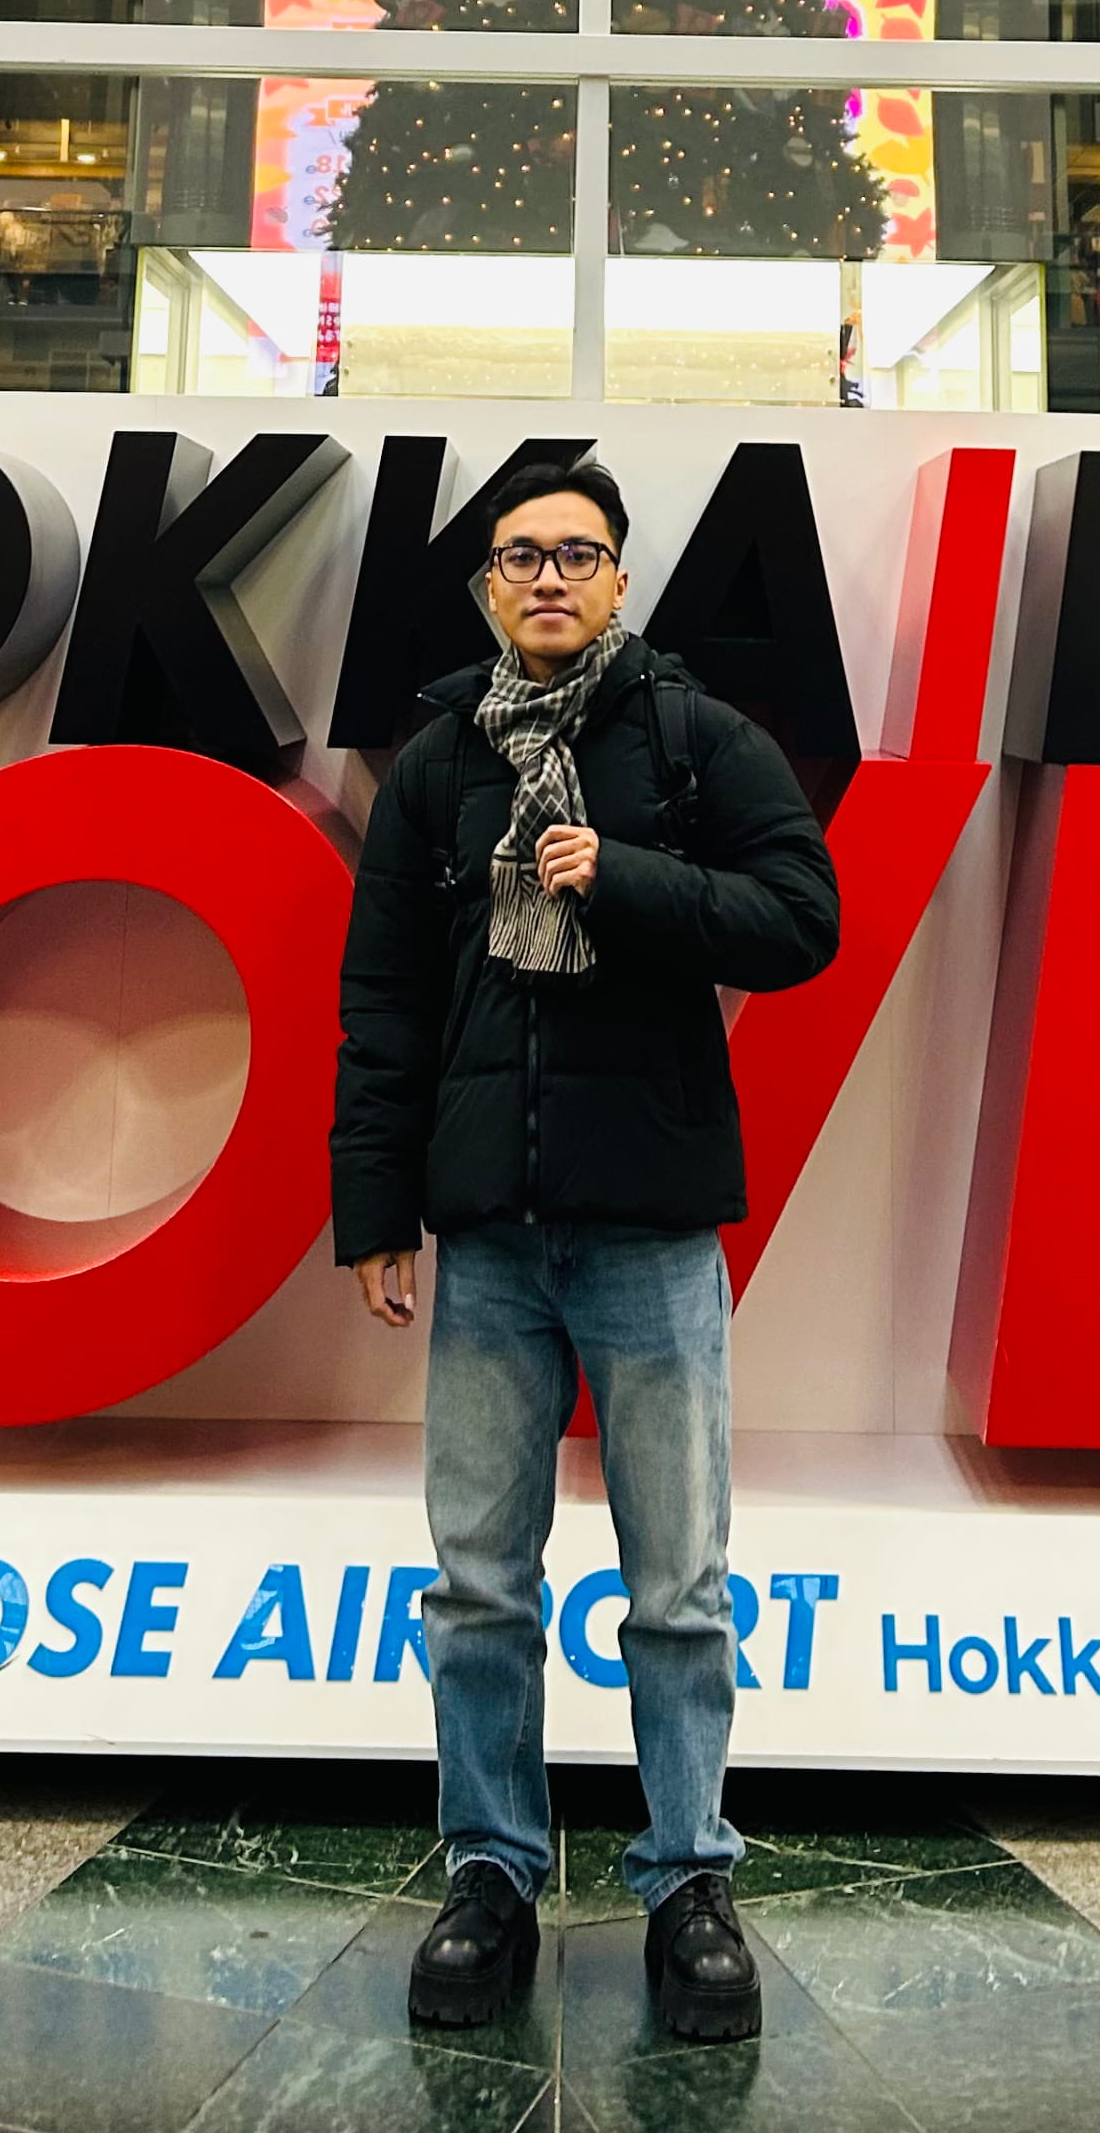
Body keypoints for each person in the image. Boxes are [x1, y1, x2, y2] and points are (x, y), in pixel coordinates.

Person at [330, 465, 838, 2044]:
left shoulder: (693, 739)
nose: (549, 576)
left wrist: (624, 876)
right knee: (478, 1585)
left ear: (620, 580)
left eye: (579, 553)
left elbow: (802, 918)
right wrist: (376, 1207)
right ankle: (490, 1874)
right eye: (521, 556)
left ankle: (690, 1881)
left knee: (678, 1587)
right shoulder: (438, 763)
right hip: (489, 1239)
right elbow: (385, 1000)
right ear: (487, 587)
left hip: (651, 1235)